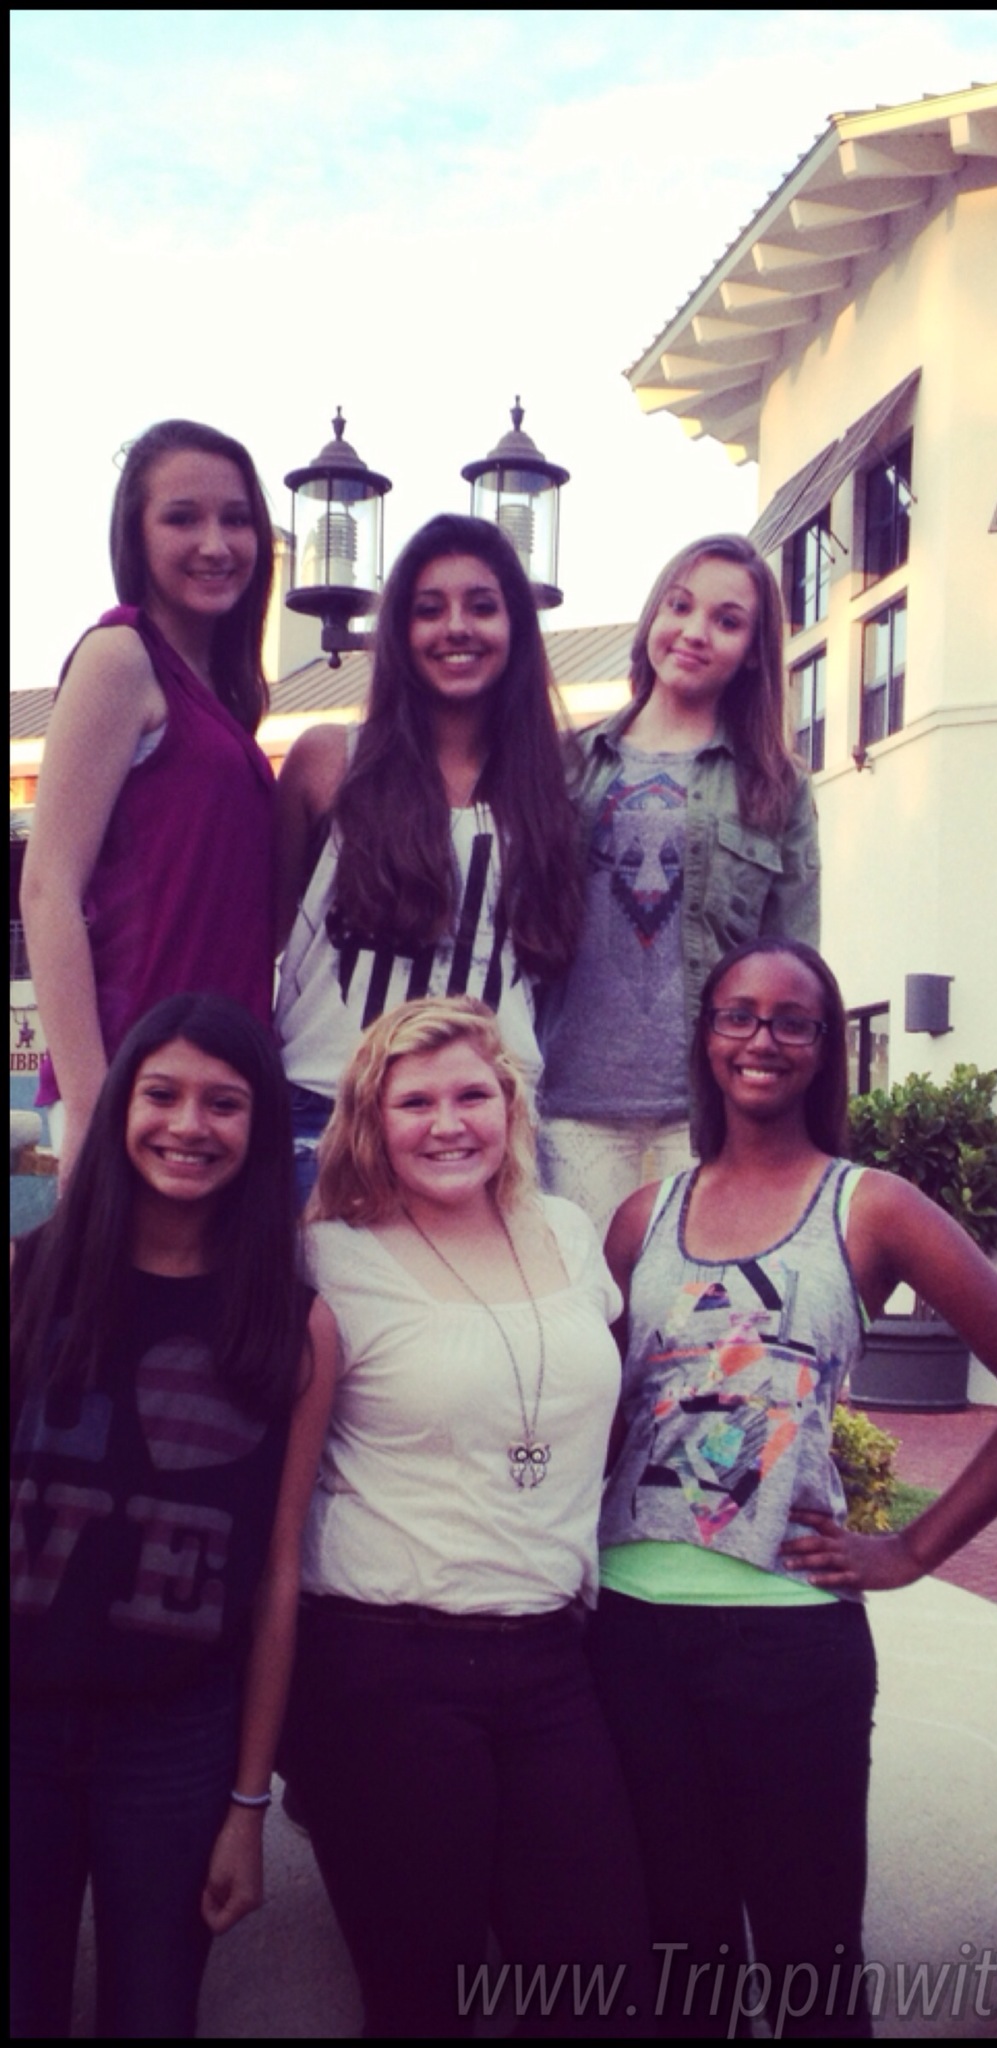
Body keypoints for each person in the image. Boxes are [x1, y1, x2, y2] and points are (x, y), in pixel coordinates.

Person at [594, 937, 997, 2039]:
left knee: (810, 1963)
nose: (761, 1039)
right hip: (630, 1635)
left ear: (823, 1049)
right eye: (737, 1014)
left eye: (792, 1020)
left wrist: (908, 1550)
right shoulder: (641, 1217)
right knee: (677, 1964)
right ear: (706, 1036)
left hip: (788, 1641)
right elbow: (608, 1412)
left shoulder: (871, 1207)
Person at [287, 996, 649, 2038]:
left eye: (471, 1095)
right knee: (420, 2010)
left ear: (510, 1104)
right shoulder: (329, 1258)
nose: (448, 1123)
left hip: (552, 1660)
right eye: (414, 1102)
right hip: (385, 1667)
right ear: (371, 1118)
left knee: (599, 1995)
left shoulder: (568, 1233)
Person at [9, 993, 337, 2039]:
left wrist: (247, 1803)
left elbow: (277, 1570)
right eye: (161, 1093)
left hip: (177, 1738)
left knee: (153, 2014)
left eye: (224, 1102)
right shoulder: (27, 1276)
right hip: (18, 1720)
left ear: (262, 1125)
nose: (188, 1124)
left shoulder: (293, 1324)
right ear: (118, 1106)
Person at [274, 512, 581, 1205]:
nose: (457, 627)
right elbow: (261, 935)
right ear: (398, 630)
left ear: (516, 627)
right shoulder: (329, 762)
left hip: (487, 1131)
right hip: (329, 1118)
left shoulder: (553, 784)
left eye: (482, 606)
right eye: (429, 609)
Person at [537, 533, 820, 1240]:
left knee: (691, 1303)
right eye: (680, 606)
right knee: (586, 1300)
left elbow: (795, 965)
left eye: (726, 621)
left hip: (704, 1117)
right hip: (570, 1107)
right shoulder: (566, 765)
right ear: (653, 617)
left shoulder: (777, 785)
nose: (695, 632)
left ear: (752, 650)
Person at [22, 421, 279, 1184]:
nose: (215, 543)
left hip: (217, 1079)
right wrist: (91, 1101)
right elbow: (48, 888)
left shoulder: (224, 695)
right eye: (182, 518)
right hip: (135, 1085)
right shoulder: (120, 657)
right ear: (136, 535)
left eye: (237, 519)